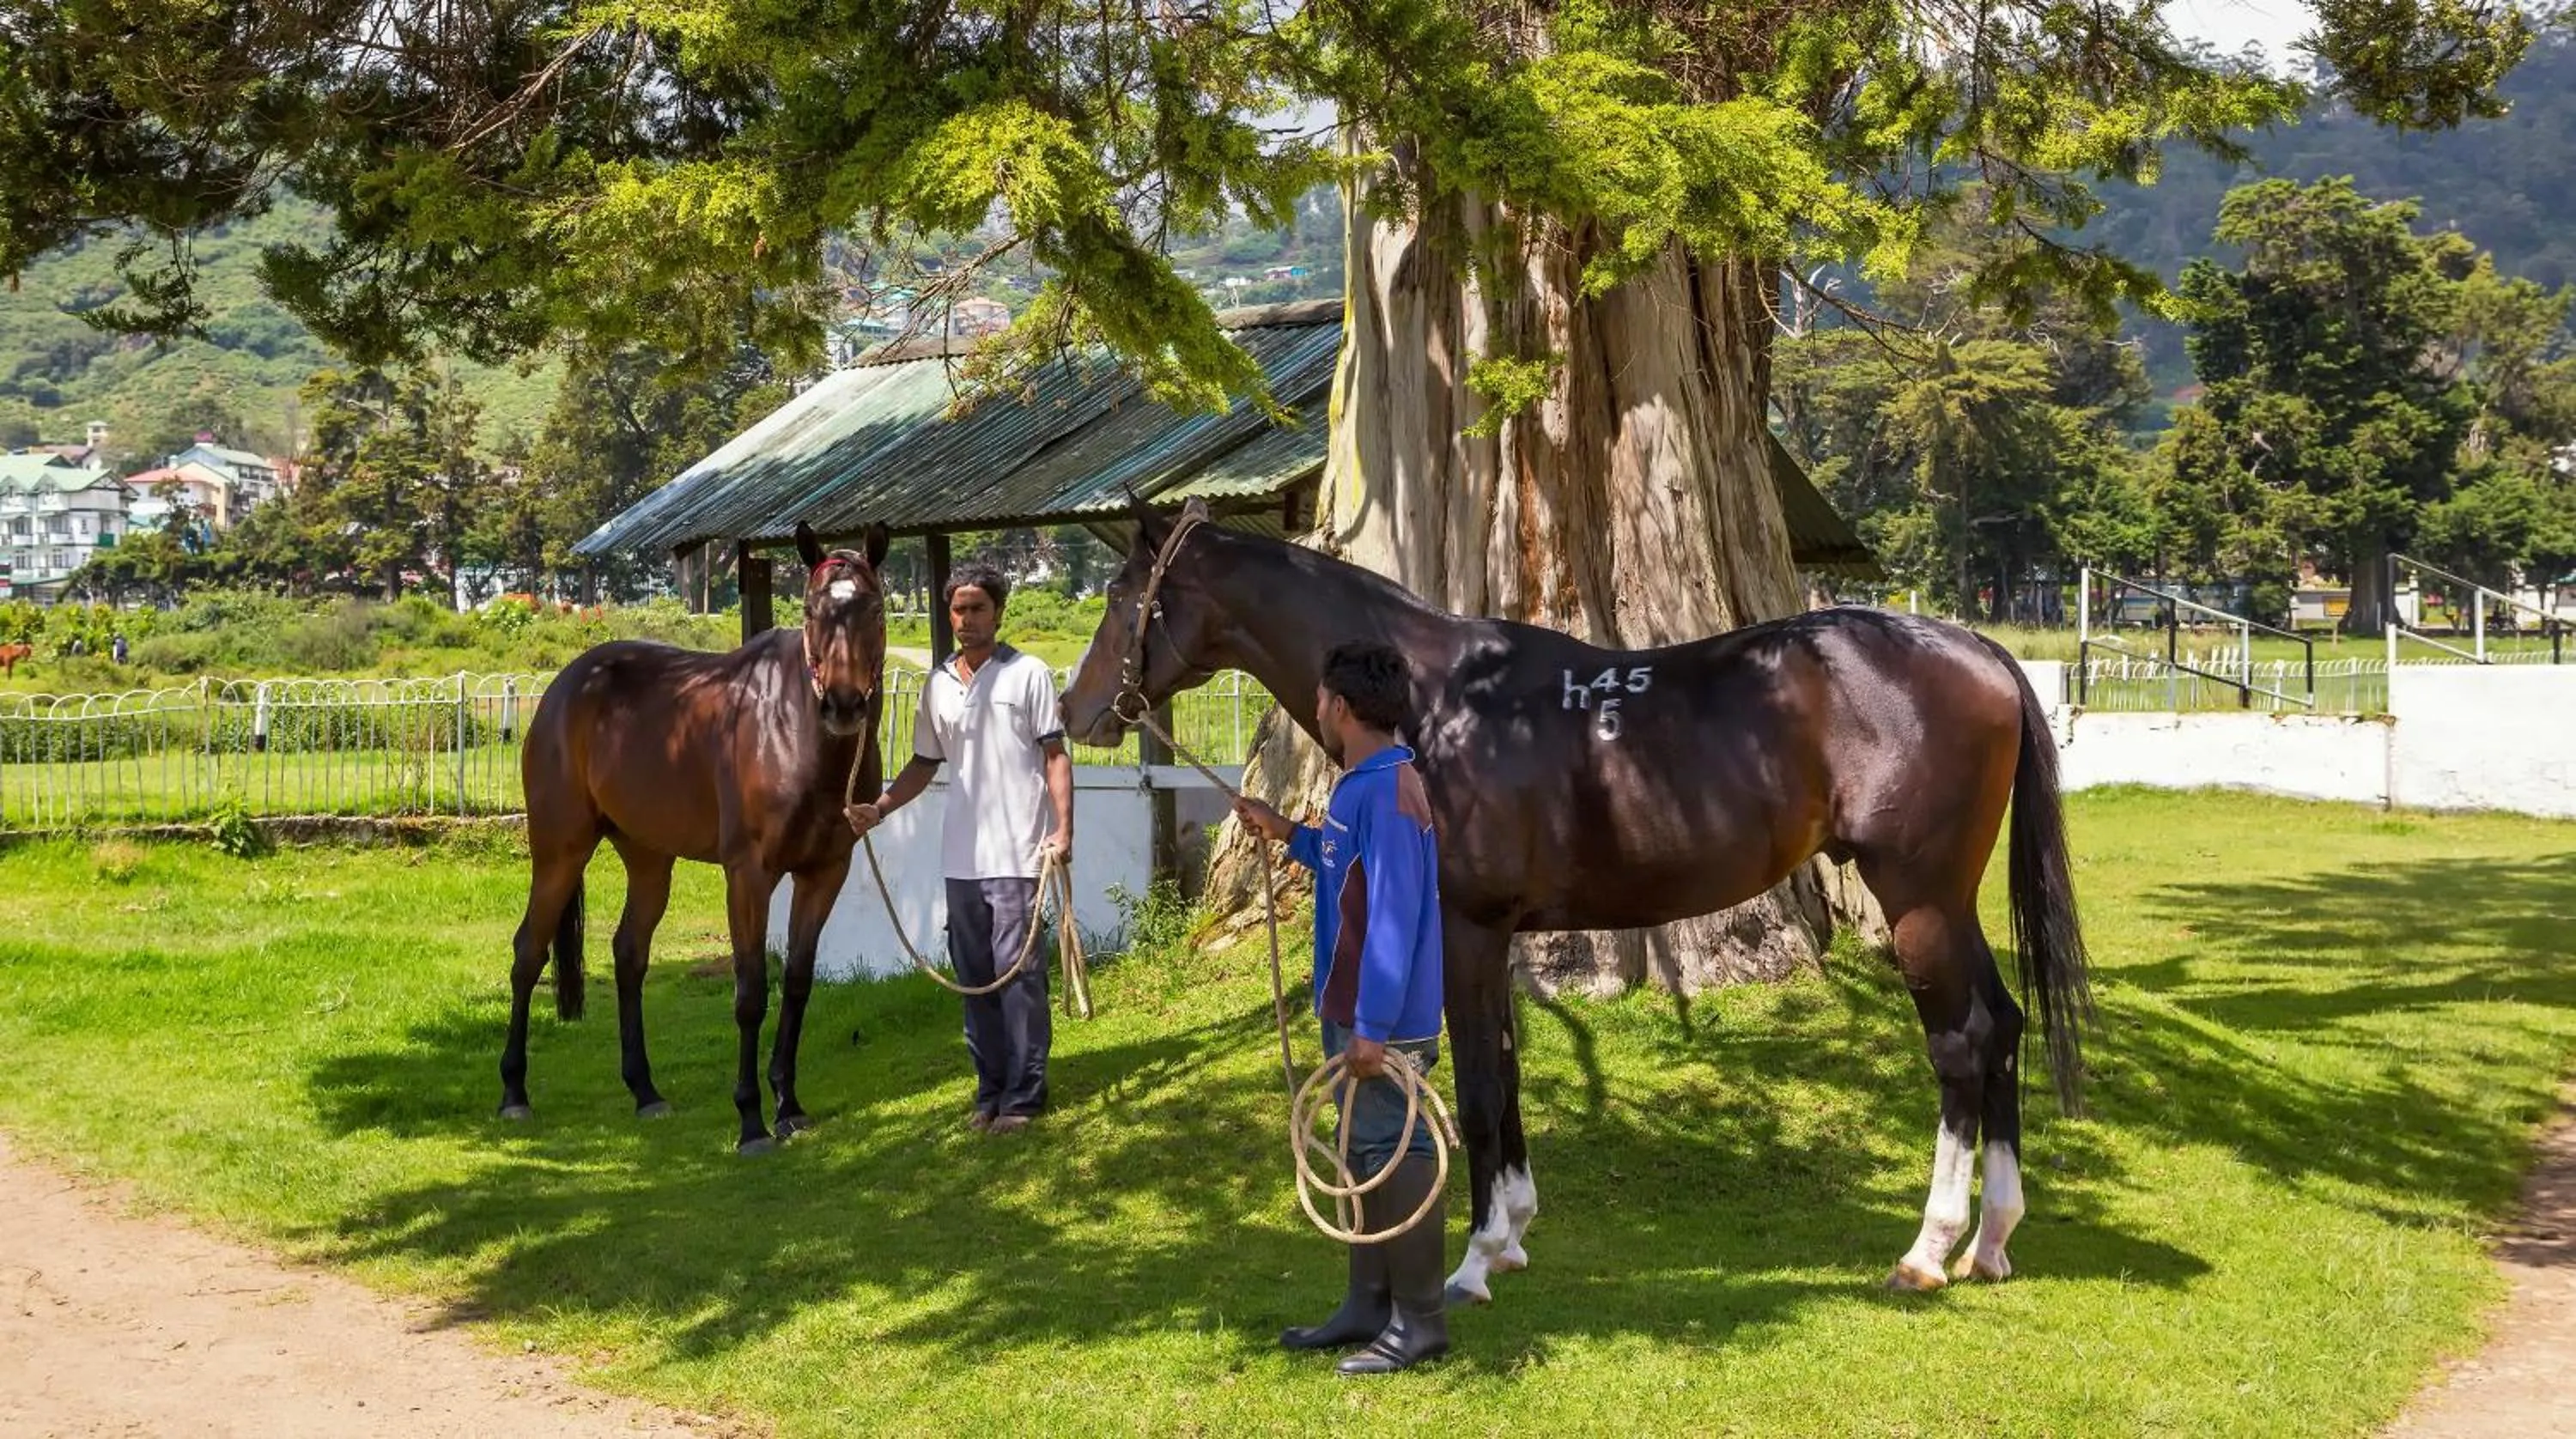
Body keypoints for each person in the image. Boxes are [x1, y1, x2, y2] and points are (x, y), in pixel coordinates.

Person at [1232, 641, 1450, 1377]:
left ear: (1344, 709)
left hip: (1382, 1020)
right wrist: (1285, 831)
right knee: (1362, 1151)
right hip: (1355, 1008)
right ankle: (1368, 1303)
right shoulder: (1369, 783)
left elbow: (1391, 914)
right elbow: (1342, 864)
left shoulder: (1387, 793)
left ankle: (1419, 1322)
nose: (1317, 711)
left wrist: (1373, 1028)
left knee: (1398, 1153)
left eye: (1322, 701)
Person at [848, 562, 1074, 1136]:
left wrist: (1063, 829)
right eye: (958, 609)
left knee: (1017, 976)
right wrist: (879, 807)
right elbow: (925, 764)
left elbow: (1055, 756)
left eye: (977, 608)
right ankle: (990, 1091)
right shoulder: (937, 684)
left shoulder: (1029, 675)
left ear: (998, 613)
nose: (967, 619)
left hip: (1021, 855)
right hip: (962, 860)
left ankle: (1024, 1097)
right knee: (975, 979)